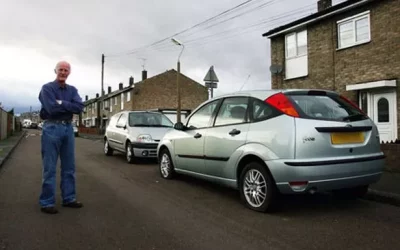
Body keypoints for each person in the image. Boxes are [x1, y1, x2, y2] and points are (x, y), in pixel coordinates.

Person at [38, 61, 84, 214]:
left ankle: (69, 198)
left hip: (68, 128)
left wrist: (61, 102)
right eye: (61, 69)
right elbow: (51, 108)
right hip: (52, 127)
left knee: (69, 167)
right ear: (55, 71)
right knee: (50, 168)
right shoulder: (47, 88)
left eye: (66, 70)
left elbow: (79, 107)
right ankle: (47, 202)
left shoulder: (73, 90)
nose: (63, 72)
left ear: (69, 72)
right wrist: (67, 105)